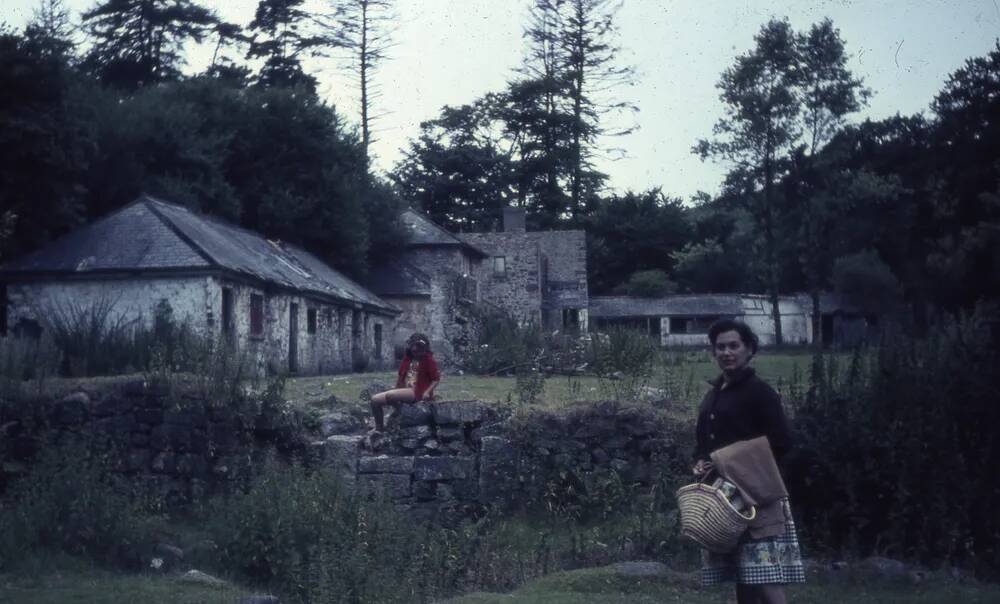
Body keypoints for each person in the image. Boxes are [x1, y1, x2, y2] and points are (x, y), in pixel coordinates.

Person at [692, 319, 805, 604]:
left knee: (765, 576)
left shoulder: (760, 393)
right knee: (744, 576)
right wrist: (700, 463)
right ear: (713, 352)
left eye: (734, 346)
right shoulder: (713, 395)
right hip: (725, 500)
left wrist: (725, 462)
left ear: (749, 350)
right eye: (720, 347)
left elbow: (781, 443)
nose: (727, 352)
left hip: (757, 496)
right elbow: (703, 444)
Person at [370, 333, 440, 432]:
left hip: (417, 391)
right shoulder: (407, 359)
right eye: (413, 346)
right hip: (404, 389)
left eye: (417, 346)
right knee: (374, 400)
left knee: (391, 395)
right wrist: (396, 387)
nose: (414, 349)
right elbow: (400, 376)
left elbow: (436, 379)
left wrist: (427, 392)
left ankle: (400, 411)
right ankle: (379, 428)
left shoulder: (428, 360)